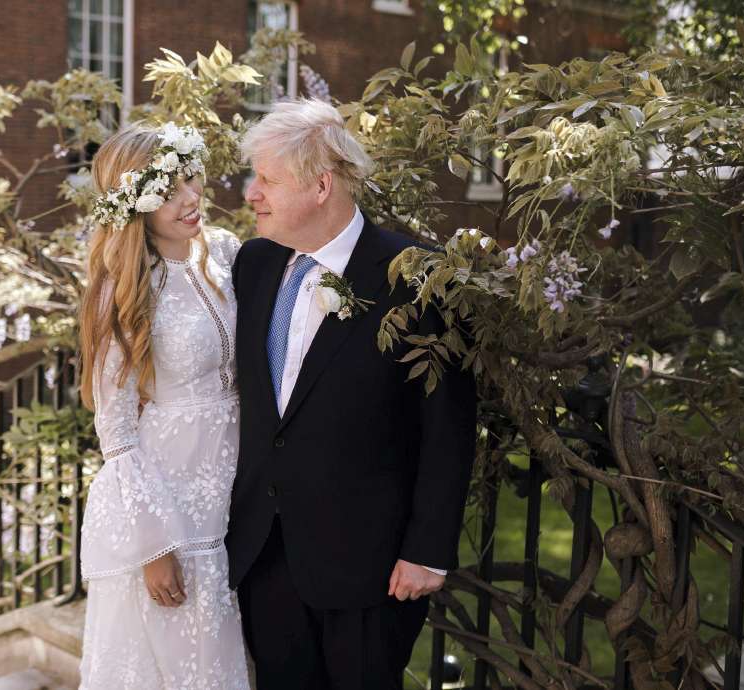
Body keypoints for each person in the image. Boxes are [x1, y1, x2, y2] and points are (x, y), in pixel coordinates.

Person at [226, 99, 478, 690]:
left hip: (372, 567)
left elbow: (448, 424)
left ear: (321, 185)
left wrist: (428, 550)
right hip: (267, 552)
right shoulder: (255, 263)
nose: (250, 193)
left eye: (266, 179)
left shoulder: (415, 276)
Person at [76, 122, 250, 690]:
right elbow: (118, 429)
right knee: (183, 663)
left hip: (238, 482)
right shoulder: (123, 286)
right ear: (137, 203)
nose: (191, 197)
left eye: (191, 180)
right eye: (170, 189)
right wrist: (154, 546)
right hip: (170, 499)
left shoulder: (227, 253)